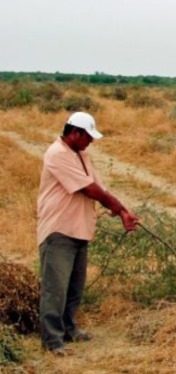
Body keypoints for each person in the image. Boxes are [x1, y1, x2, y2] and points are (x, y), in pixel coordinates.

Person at [37, 112, 140, 356]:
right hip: (59, 229)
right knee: (55, 289)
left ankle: (69, 329)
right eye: (87, 137)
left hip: (79, 228)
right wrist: (118, 208)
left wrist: (123, 210)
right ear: (74, 133)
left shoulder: (80, 153)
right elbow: (89, 189)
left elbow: (100, 187)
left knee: (74, 287)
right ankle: (52, 341)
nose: (90, 142)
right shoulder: (57, 154)